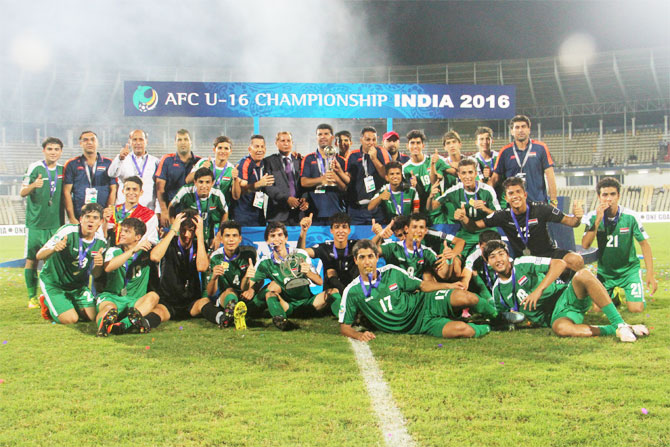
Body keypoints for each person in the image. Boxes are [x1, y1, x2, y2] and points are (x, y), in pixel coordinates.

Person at [484, 240, 649, 342]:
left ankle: (619, 322)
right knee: (562, 329)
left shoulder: (522, 263)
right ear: (487, 262)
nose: (498, 260)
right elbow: (501, 316)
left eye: (501, 254)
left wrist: (538, 290)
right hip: (556, 316)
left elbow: (560, 264)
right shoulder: (497, 291)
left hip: (566, 295)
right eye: (492, 257)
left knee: (583, 274)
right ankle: (620, 329)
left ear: (507, 255)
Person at [338, 240, 492, 341]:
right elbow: (344, 327)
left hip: (423, 303)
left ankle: (498, 316)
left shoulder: (391, 271)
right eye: (362, 257)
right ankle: (488, 326)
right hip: (421, 325)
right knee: (463, 330)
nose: (367, 262)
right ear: (355, 260)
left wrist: (448, 285)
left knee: (466, 297)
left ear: (377, 257)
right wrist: (359, 335)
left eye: (370, 256)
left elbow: (422, 286)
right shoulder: (352, 291)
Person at [456, 177, 585, 271]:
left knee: (576, 260)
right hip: (522, 261)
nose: (515, 196)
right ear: (506, 198)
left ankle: (577, 299)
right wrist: (464, 218)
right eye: (511, 193)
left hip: (547, 254)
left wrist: (577, 217)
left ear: (525, 194)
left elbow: (572, 222)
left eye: (518, 192)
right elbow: (473, 226)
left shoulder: (541, 209)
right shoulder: (502, 215)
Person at [581, 177, 657, 312]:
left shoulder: (631, 216)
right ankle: (614, 297)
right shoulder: (592, 217)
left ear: (619, 196)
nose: (609, 198)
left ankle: (634, 297)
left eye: (612, 194)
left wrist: (650, 273)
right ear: (599, 197)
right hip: (606, 273)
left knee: (636, 309)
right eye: (605, 195)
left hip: (629, 271)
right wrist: (598, 221)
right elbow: (585, 245)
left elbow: (645, 245)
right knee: (597, 310)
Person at [244, 222, 337, 331]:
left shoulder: (300, 254)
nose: (277, 239)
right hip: (288, 306)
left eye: (280, 235)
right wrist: (248, 280)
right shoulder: (265, 262)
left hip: (309, 303)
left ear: (286, 238)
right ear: (267, 241)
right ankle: (282, 321)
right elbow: (249, 287)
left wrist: (308, 273)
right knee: (270, 292)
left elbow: (319, 282)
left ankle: (345, 319)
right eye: (272, 236)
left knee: (333, 292)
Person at [36, 203, 107, 324]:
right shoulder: (67, 231)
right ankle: (47, 302)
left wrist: (98, 264)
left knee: (92, 317)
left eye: (95, 218)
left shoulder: (101, 242)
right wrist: (54, 248)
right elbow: (39, 255)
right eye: (87, 217)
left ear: (100, 222)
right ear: (80, 219)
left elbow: (96, 274)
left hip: (77, 287)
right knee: (71, 319)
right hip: (54, 283)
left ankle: (68, 302)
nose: (90, 221)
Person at [95, 218, 161, 336]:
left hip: (135, 301)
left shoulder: (147, 251)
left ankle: (122, 325)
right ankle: (102, 326)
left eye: (127, 231)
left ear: (138, 237)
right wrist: (133, 251)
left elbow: (158, 254)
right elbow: (108, 267)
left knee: (153, 296)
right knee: (109, 308)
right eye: (122, 230)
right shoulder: (113, 250)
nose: (122, 233)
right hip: (113, 297)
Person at [21, 137, 64, 309]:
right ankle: (31, 297)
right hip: (35, 225)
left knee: (51, 262)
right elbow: (22, 192)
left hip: (55, 225)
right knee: (31, 260)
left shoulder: (63, 170)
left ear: (61, 152)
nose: (53, 152)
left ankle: (48, 296)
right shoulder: (35, 168)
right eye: (50, 149)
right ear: (44, 150)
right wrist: (33, 185)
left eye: (56, 149)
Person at [150, 210, 211, 324]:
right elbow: (154, 257)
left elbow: (202, 267)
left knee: (204, 302)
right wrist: (173, 230)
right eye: (183, 230)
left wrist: (201, 236)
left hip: (191, 302)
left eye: (191, 231)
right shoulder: (169, 243)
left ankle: (224, 319)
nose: (186, 235)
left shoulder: (200, 245)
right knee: (158, 312)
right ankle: (141, 325)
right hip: (168, 302)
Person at [431, 158, 501, 257]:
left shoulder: (487, 190)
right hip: (467, 232)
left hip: (487, 231)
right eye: (463, 173)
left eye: (470, 172)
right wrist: (430, 197)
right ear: (459, 175)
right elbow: (432, 207)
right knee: (453, 258)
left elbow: (499, 216)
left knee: (492, 255)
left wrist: (485, 209)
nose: (467, 176)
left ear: (475, 173)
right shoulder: (454, 190)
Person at [492, 115, 557, 205]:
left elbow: (550, 175)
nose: (520, 130)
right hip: (514, 205)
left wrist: (553, 201)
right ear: (512, 131)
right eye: (517, 127)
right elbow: (495, 178)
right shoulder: (505, 151)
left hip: (538, 203)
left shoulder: (541, 148)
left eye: (523, 127)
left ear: (529, 130)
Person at [205, 221, 259, 329]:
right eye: (227, 236)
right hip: (225, 296)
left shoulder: (250, 254)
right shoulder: (215, 257)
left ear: (240, 239)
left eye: (234, 236)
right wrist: (214, 277)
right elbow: (210, 292)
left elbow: (246, 286)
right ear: (221, 239)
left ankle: (230, 316)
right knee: (230, 291)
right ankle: (232, 311)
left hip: (245, 294)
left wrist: (248, 278)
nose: (231, 240)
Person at [63, 131, 117, 223]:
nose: (89, 142)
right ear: (81, 143)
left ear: (97, 142)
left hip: (102, 216)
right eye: (85, 140)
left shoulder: (108, 163)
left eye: (92, 139)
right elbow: (66, 192)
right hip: (79, 216)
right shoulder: (72, 164)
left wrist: (108, 213)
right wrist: (71, 217)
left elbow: (113, 189)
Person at [300, 124, 348, 225]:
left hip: (337, 211)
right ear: (316, 137)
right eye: (320, 134)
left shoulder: (341, 161)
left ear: (332, 137)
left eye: (326, 134)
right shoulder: (308, 159)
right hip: (314, 212)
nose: (323, 136)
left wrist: (336, 179)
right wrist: (322, 180)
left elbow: (346, 188)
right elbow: (303, 182)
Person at [169, 167, 228, 246]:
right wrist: (173, 228)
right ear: (195, 182)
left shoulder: (218, 194)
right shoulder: (185, 191)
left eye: (207, 182)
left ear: (212, 183)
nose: (204, 186)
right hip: (187, 234)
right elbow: (171, 206)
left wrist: (219, 234)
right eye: (201, 182)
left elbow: (225, 213)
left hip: (207, 234)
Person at [155, 129, 201, 228]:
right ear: (175, 142)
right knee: (171, 240)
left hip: (193, 211)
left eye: (186, 139)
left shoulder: (199, 161)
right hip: (172, 211)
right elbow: (160, 188)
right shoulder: (167, 160)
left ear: (191, 142)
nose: (183, 142)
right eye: (179, 140)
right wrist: (164, 210)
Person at [344, 126, 391, 224]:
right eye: (368, 139)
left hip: (377, 208)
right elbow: (348, 180)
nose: (371, 143)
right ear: (361, 140)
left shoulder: (382, 152)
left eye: (374, 139)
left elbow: (386, 176)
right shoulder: (353, 155)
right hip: (357, 209)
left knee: (377, 236)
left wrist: (374, 158)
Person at [107, 129, 160, 211]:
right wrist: (120, 158)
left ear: (146, 141)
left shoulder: (155, 161)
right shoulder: (122, 158)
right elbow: (111, 174)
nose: (138, 143)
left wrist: (158, 210)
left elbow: (159, 188)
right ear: (130, 142)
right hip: (124, 209)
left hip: (147, 209)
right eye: (134, 139)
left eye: (141, 139)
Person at [184, 136, 241, 209]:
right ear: (214, 150)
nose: (223, 151)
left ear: (230, 151)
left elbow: (236, 197)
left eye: (226, 148)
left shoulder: (231, 169)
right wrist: (201, 169)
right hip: (199, 207)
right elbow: (187, 180)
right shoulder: (204, 162)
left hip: (219, 211)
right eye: (220, 148)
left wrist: (235, 179)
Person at [264, 131, 308, 225]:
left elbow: (305, 183)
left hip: (299, 215)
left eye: (288, 140)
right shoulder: (268, 161)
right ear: (276, 143)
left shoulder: (300, 160)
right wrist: (286, 199)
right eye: (282, 140)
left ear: (292, 143)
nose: (286, 143)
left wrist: (305, 199)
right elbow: (268, 187)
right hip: (277, 214)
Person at [401, 130, 441, 223]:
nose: (415, 146)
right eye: (412, 143)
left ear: (423, 145)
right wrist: (415, 186)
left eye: (418, 143)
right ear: (407, 146)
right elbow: (415, 194)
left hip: (438, 211)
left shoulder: (433, 160)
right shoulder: (405, 169)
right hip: (422, 213)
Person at [106, 176, 159, 245]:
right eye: (128, 189)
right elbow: (105, 235)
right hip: (113, 251)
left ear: (141, 192)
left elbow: (151, 239)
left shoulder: (148, 215)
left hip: (137, 253)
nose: (131, 193)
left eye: (134, 189)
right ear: (123, 191)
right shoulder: (113, 211)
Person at [235, 135, 273, 226]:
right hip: (243, 215)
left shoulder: (265, 163)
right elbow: (240, 191)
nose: (260, 150)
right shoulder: (244, 163)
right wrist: (258, 184)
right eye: (256, 146)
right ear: (249, 149)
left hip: (258, 214)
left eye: (262, 147)